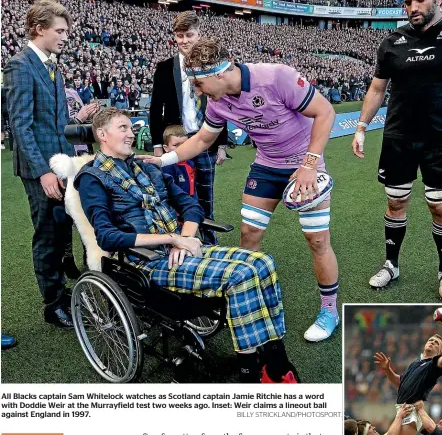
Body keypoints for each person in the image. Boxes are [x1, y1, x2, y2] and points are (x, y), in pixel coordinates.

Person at [76, 107, 297, 384]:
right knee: (241, 276)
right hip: (146, 262)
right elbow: (107, 237)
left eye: (132, 128)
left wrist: (185, 239)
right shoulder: (92, 178)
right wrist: (172, 238)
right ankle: (249, 373)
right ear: (102, 134)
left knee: (263, 262)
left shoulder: (147, 166)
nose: (132, 134)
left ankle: (274, 358)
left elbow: (191, 204)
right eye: (123, 128)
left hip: (181, 248)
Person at [144, 38, 341, 343]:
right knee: (249, 235)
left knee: (317, 242)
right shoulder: (216, 100)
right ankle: (251, 298)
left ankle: (329, 310)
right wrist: (164, 159)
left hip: (305, 164)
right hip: (265, 167)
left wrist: (310, 164)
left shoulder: (277, 76)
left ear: (219, 73)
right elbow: (201, 141)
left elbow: (326, 112)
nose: (197, 92)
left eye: (198, 84)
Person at [352, 0, 442, 302]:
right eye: (407, 2)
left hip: (440, 136)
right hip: (398, 136)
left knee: (440, 205)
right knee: (396, 202)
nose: (413, 7)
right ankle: (391, 264)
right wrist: (361, 126)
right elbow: (377, 89)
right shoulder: (392, 41)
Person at [3, 0, 97, 329]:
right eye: (60, 31)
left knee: (61, 231)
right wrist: (43, 170)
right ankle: (53, 304)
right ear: (39, 28)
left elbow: (55, 123)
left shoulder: (53, 65)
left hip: (61, 164)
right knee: (47, 235)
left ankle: (60, 288)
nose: (65, 37)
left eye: (67, 31)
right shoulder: (19, 65)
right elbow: (20, 125)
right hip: (39, 170)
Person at [150, 11, 229, 245]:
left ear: (198, 34)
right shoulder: (165, 68)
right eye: (179, 35)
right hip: (176, 141)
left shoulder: (210, 66)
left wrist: (222, 144)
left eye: (189, 35)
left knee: (206, 196)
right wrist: (157, 145)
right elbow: (155, 109)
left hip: (205, 138)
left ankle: (209, 241)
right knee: (176, 194)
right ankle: (180, 240)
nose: (184, 40)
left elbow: (220, 105)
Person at [373, 310, 442, 435]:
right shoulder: (415, 363)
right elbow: (400, 383)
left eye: (436, 343)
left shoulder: (433, 366)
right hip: (402, 408)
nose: (432, 342)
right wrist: (387, 369)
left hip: (411, 410)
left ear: (440, 351)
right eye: (431, 340)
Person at [162, 125, 197, 199]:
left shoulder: (190, 162)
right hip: (177, 204)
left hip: (191, 201)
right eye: (176, 145)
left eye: (185, 144)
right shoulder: (167, 166)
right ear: (166, 148)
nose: (181, 148)